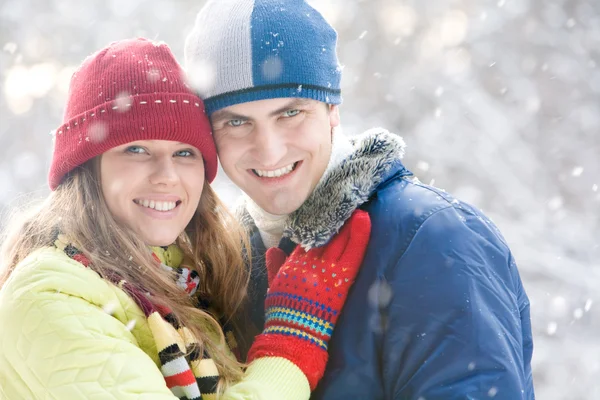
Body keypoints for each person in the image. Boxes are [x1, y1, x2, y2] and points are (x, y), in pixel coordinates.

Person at [184, 1, 535, 399]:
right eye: (236, 122)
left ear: (332, 108)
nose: (269, 151)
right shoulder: (222, 265)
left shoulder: (434, 239)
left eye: (290, 113)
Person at [0, 38, 371, 400]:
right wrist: (292, 340)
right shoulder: (51, 297)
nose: (166, 176)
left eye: (184, 153)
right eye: (137, 149)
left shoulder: (186, 277)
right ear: (85, 169)